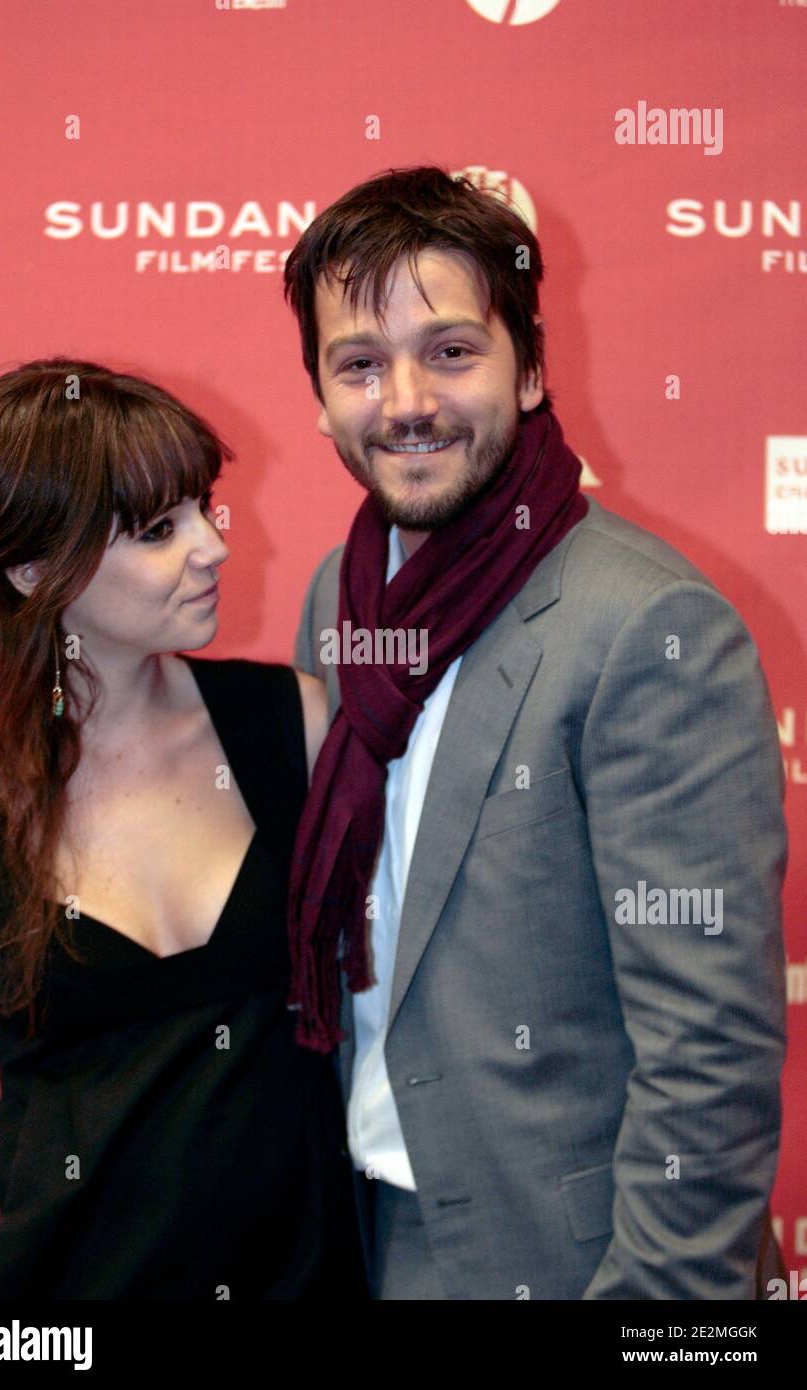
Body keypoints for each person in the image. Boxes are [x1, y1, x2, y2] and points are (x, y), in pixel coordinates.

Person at [281, 165, 788, 1299]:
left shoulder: (646, 626)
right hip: (356, 1222)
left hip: (568, 1259)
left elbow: (708, 1051)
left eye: (450, 351)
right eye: (358, 363)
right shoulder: (339, 595)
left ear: (532, 367)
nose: (404, 398)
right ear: (317, 394)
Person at [0, 359, 368, 1299]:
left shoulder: (291, 720)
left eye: (201, 509)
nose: (214, 548)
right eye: (156, 531)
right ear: (34, 569)